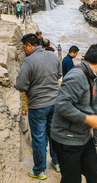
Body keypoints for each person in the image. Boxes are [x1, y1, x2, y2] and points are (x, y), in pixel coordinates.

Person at [51, 43, 97, 183]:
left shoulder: (90, 76)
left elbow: (89, 104)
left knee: (95, 175)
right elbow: (61, 104)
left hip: (83, 137)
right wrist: (87, 119)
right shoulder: (77, 75)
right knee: (71, 179)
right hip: (66, 139)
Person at [15, 33, 61, 180]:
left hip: (38, 106)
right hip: (55, 102)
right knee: (54, 134)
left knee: (39, 138)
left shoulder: (28, 62)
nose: (24, 51)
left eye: (24, 47)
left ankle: (40, 170)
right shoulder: (53, 56)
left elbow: (21, 85)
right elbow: (59, 75)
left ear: (29, 45)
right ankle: (57, 162)